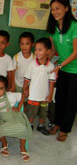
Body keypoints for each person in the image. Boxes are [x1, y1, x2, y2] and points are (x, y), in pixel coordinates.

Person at [46, 0, 77, 141]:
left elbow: (76, 53)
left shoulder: (75, 26)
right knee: (59, 98)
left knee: (71, 101)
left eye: (58, 8)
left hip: (74, 70)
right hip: (62, 68)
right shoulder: (53, 28)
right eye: (52, 9)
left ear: (66, 8)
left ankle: (65, 129)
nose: (55, 12)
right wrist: (43, 63)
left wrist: (59, 66)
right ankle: (57, 123)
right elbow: (52, 50)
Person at [0, 75, 32, 162]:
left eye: (1, 88)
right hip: (2, 119)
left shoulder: (9, 95)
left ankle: (22, 146)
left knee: (22, 127)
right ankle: (4, 143)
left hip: (14, 116)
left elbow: (22, 95)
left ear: (5, 89)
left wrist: (18, 107)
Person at [22, 38, 56, 135]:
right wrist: (25, 89)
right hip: (33, 95)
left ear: (48, 51)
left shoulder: (51, 66)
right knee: (31, 111)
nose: (37, 52)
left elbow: (52, 82)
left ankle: (41, 125)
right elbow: (27, 78)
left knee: (43, 112)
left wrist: (50, 95)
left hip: (44, 96)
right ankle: (30, 124)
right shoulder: (32, 64)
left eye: (40, 50)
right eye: (36, 49)